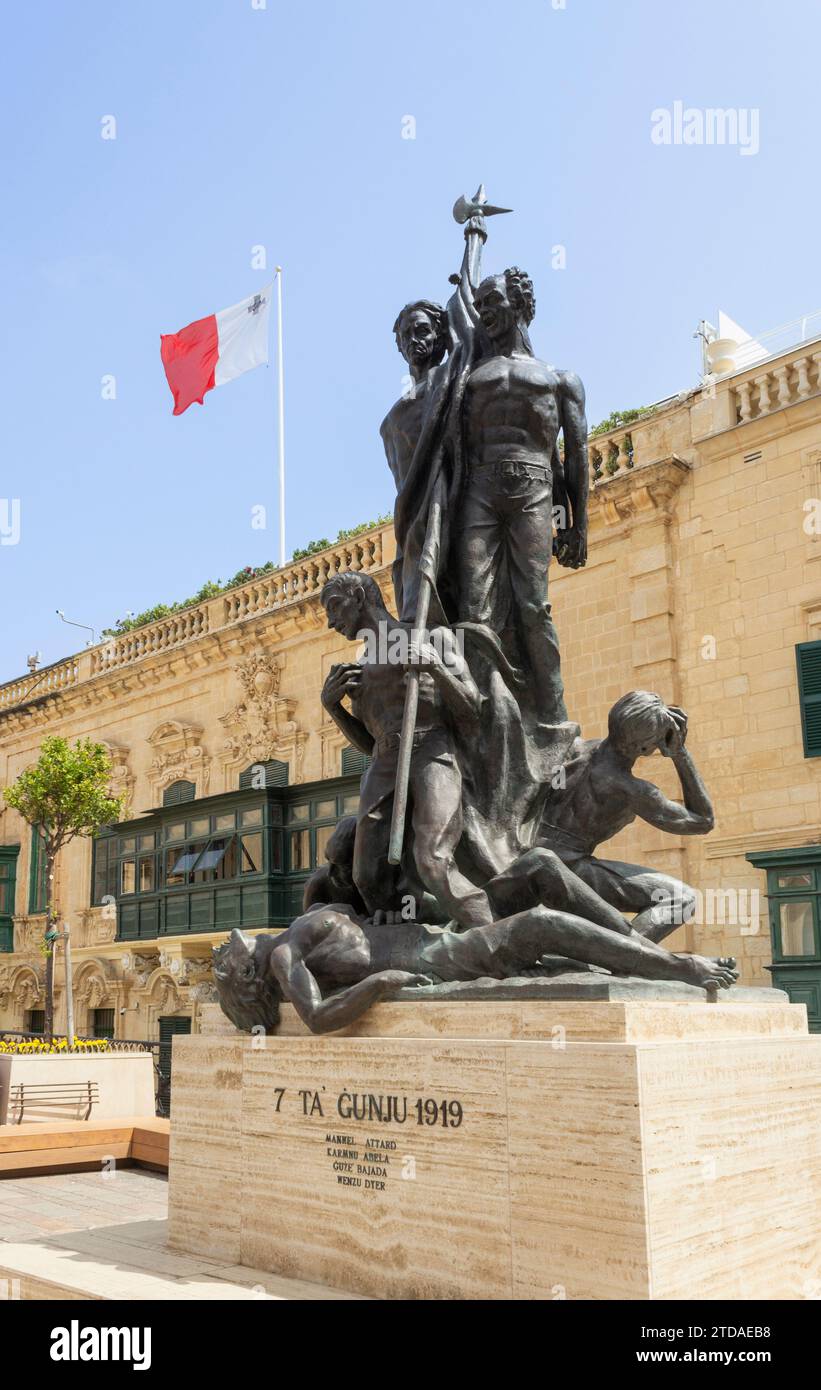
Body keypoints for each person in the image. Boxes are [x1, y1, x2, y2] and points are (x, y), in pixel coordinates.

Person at [213, 909, 738, 1036]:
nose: (229, 946)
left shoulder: (298, 925)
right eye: (226, 961)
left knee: (560, 954)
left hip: (439, 936)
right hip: (436, 960)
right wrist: (381, 983)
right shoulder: (283, 959)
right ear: (247, 978)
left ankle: (648, 960)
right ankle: (684, 967)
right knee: (541, 923)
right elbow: (320, 1018)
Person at [319, 570, 493, 928]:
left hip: (432, 750)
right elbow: (369, 744)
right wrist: (334, 708)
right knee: (366, 875)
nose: (331, 621)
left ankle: (495, 934)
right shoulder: (360, 669)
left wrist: (435, 668)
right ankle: (409, 924)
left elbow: (474, 709)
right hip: (384, 762)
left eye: (336, 607)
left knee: (433, 859)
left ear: (360, 597)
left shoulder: (431, 637)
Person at [456, 267, 588, 724]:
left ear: (519, 303)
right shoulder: (469, 375)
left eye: (492, 302)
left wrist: (577, 524)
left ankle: (552, 714)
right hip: (479, 493)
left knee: (534, 606)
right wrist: (472, 240)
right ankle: (484, 714)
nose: (484, 312)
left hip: (534, 490)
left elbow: (576, 458)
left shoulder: (559, 380)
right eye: (481, 305)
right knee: (475, 609)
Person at [538, 692, 714, 941]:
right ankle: (613, 956)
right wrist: (680, 753)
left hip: (529, 853)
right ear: (643, 747)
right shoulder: (632, 791)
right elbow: (703, 821)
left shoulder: (570, 748)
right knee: (682, 899)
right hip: (569, 869)